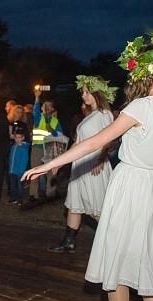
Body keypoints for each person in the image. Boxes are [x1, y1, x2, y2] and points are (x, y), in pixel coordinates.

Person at [23, 28, 153, 301]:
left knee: (118, 259)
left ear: (142, 73)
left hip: (132, 186)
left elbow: (94, 143)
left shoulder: (141, 107)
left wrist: (49, 164)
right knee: (149, 260)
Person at [49, 75, 116, 252]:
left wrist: (101, 159)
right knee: (74, 203)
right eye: (83, 92)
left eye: (87, 92)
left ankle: (116, 242)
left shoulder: (104, 114)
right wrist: (60, 162)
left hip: (94, 166)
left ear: (98, 92)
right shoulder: (90, 114)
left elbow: (108, 139)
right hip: (80, 165)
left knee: (96, 207)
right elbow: (78, 142)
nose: (84, 96)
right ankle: (68, 242)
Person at [30, 91, 63, 198]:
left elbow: (60, 136)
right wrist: (37, 97)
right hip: (37, 149)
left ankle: (50, 195)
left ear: (53, 109)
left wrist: (52, 130)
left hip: (50, 150)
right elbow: (34, 111)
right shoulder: (38, 117)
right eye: (45, 105)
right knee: (35, 173)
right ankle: (33, 195)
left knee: (51, 174)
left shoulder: (55, 121)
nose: (47, 107)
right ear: (42, 107)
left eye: (49, 106)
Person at [7, 128, 30, 205]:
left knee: (20, 186)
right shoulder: (13, 146)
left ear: (23, 138)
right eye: (16, 137)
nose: (17, 139)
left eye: (19, 137)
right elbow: (11, 158)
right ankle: (13, 197)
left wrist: (21, 171)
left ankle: (20, 199)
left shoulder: (23, 148)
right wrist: (10, 169)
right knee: (13, 185)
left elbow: (24, 160)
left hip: (19, 171)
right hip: (13, 170)